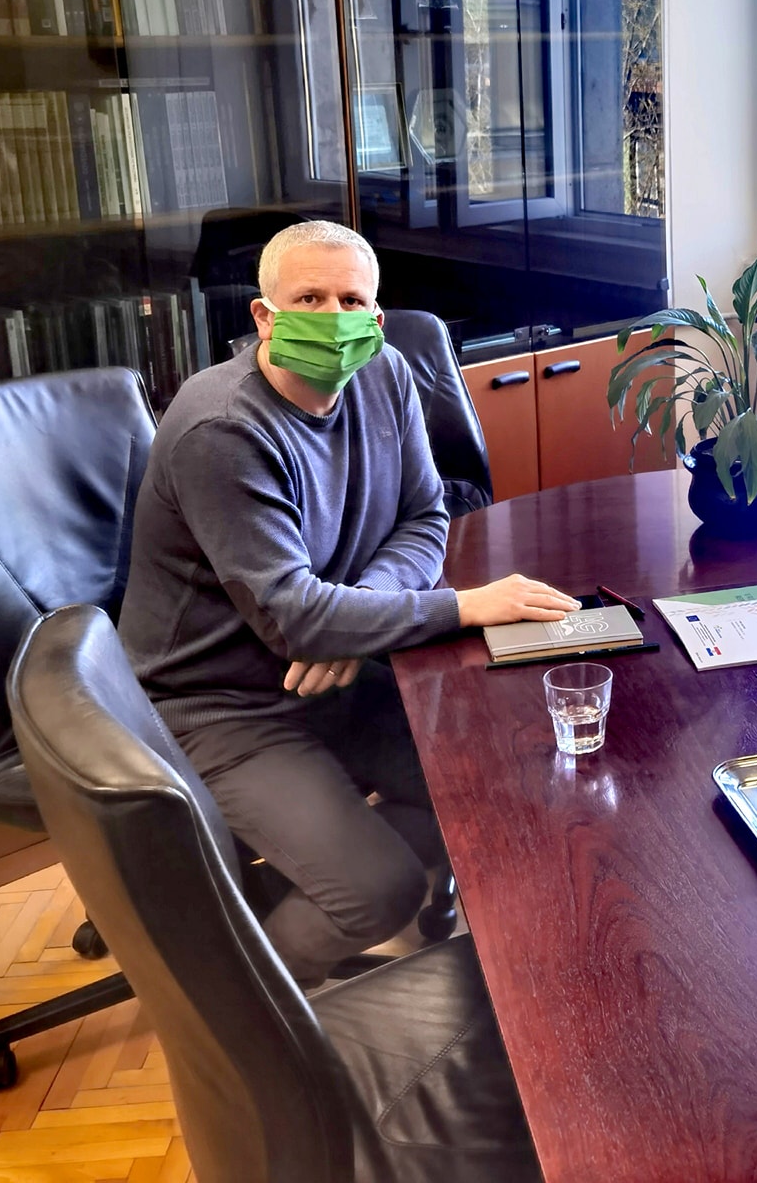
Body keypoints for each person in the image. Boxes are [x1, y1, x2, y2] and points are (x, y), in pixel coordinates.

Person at [119, 219, 579, 984]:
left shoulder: (385, 373)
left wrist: (355, 615)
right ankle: (242, 1008)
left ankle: (292, 886)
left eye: (351, 300)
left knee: (491, 789)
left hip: (326, 672)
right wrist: (462, 607)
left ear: (375, 315)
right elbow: (296, 616)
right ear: (265, 316)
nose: (333, 317)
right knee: (377, 894)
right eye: (309, 298)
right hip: (218, 705)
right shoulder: (221, 430)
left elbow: (425, 515)